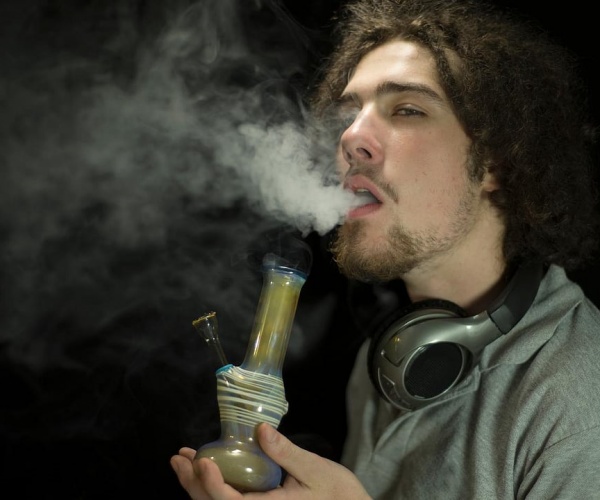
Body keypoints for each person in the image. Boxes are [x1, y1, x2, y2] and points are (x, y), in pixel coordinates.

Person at [170, 0, 600, 497]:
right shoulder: (384, 364)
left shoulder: (579, 404)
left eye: (408, 109)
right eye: (348, 114)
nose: (351, 137)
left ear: (498, 161)